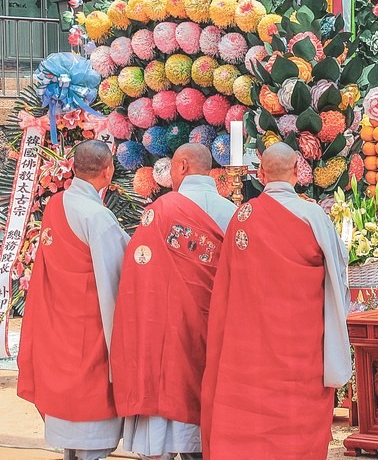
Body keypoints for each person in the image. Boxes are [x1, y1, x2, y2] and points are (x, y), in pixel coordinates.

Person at [201, 143, 351, 459]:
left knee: (251, 418)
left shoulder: (243, 216)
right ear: (297, 171)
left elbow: (226, 285)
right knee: (299, 417)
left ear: (260, 173)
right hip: (302, 345)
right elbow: (340, 266)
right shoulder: (314, 216)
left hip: (253, 349)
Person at [110, 143, 236, 460]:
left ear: (181, 166)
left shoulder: (161, 210)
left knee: (172, 390)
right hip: (216, 326)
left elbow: (140, 270)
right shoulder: (231, 212)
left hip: (168, 326)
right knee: (206, 397)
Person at [17, 140, 129, 460]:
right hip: (91, 334)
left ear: (74, 168)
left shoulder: (56, 204)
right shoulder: (97, 217)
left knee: (72, 439)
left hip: (60, 326)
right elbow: (115, 281)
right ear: (107, 171)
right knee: (91, 438)